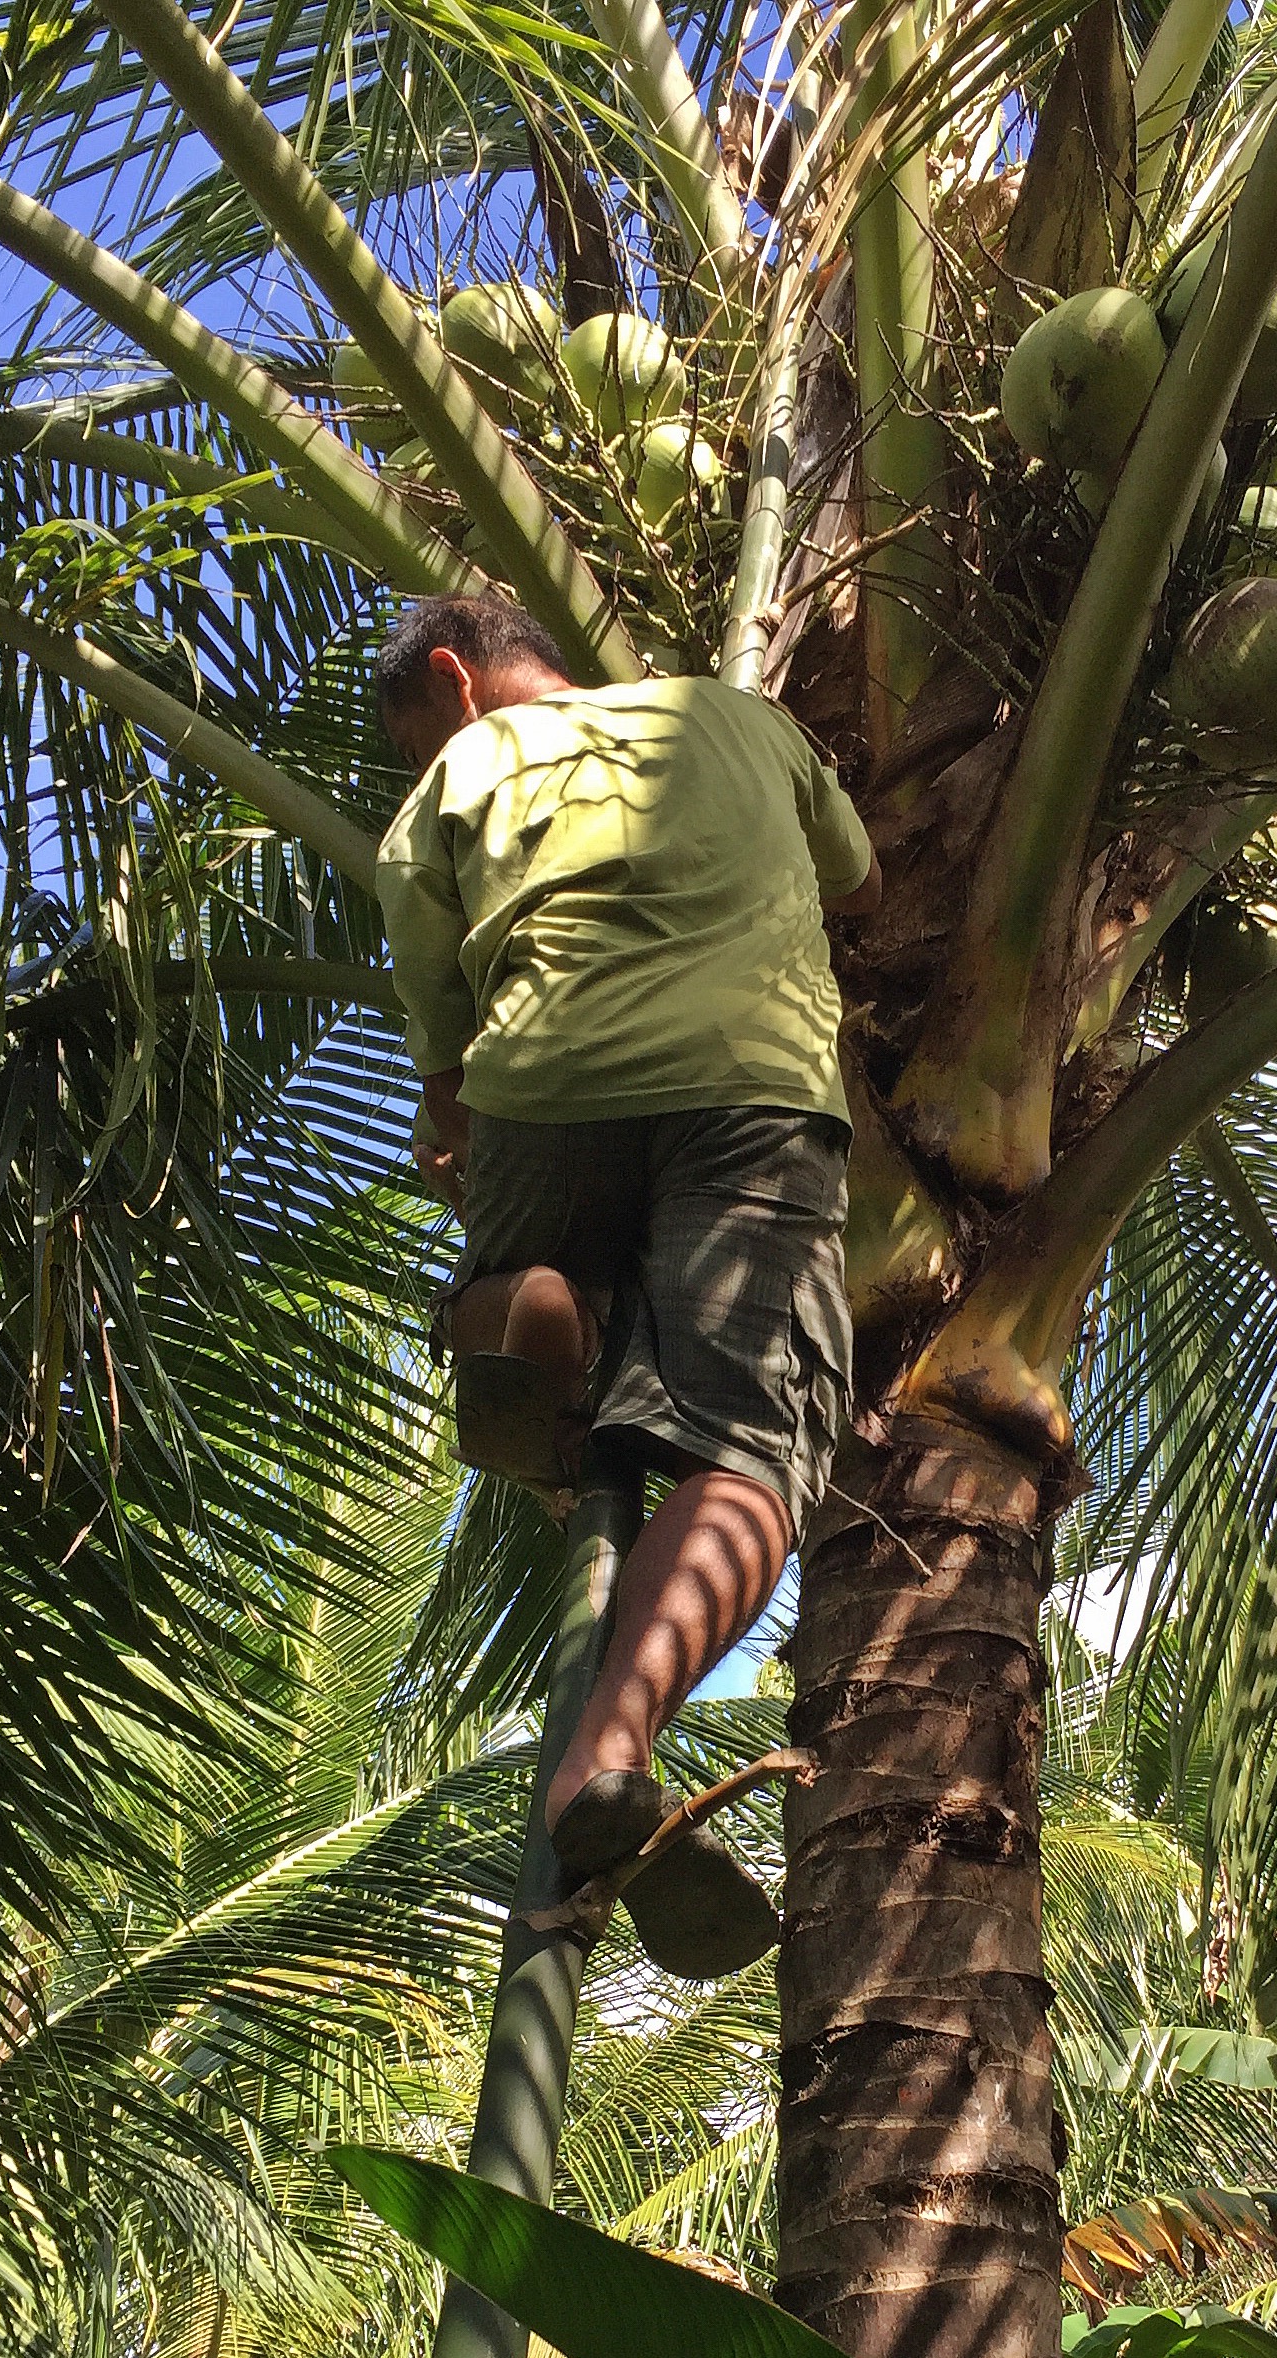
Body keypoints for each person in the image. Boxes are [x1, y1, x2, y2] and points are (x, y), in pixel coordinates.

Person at [374, 593, 881, 1981]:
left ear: (455, 679)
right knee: (752, 1450)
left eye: (417, 734)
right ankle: (611, 1745)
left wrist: (456, 1143)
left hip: (547, 1092)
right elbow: (858, 883)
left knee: (493, 1278)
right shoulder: (741, 720)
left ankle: (525, 1308)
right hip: (751, 1090)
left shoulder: (453, 785)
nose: (424, 756)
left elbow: (445, 1060)